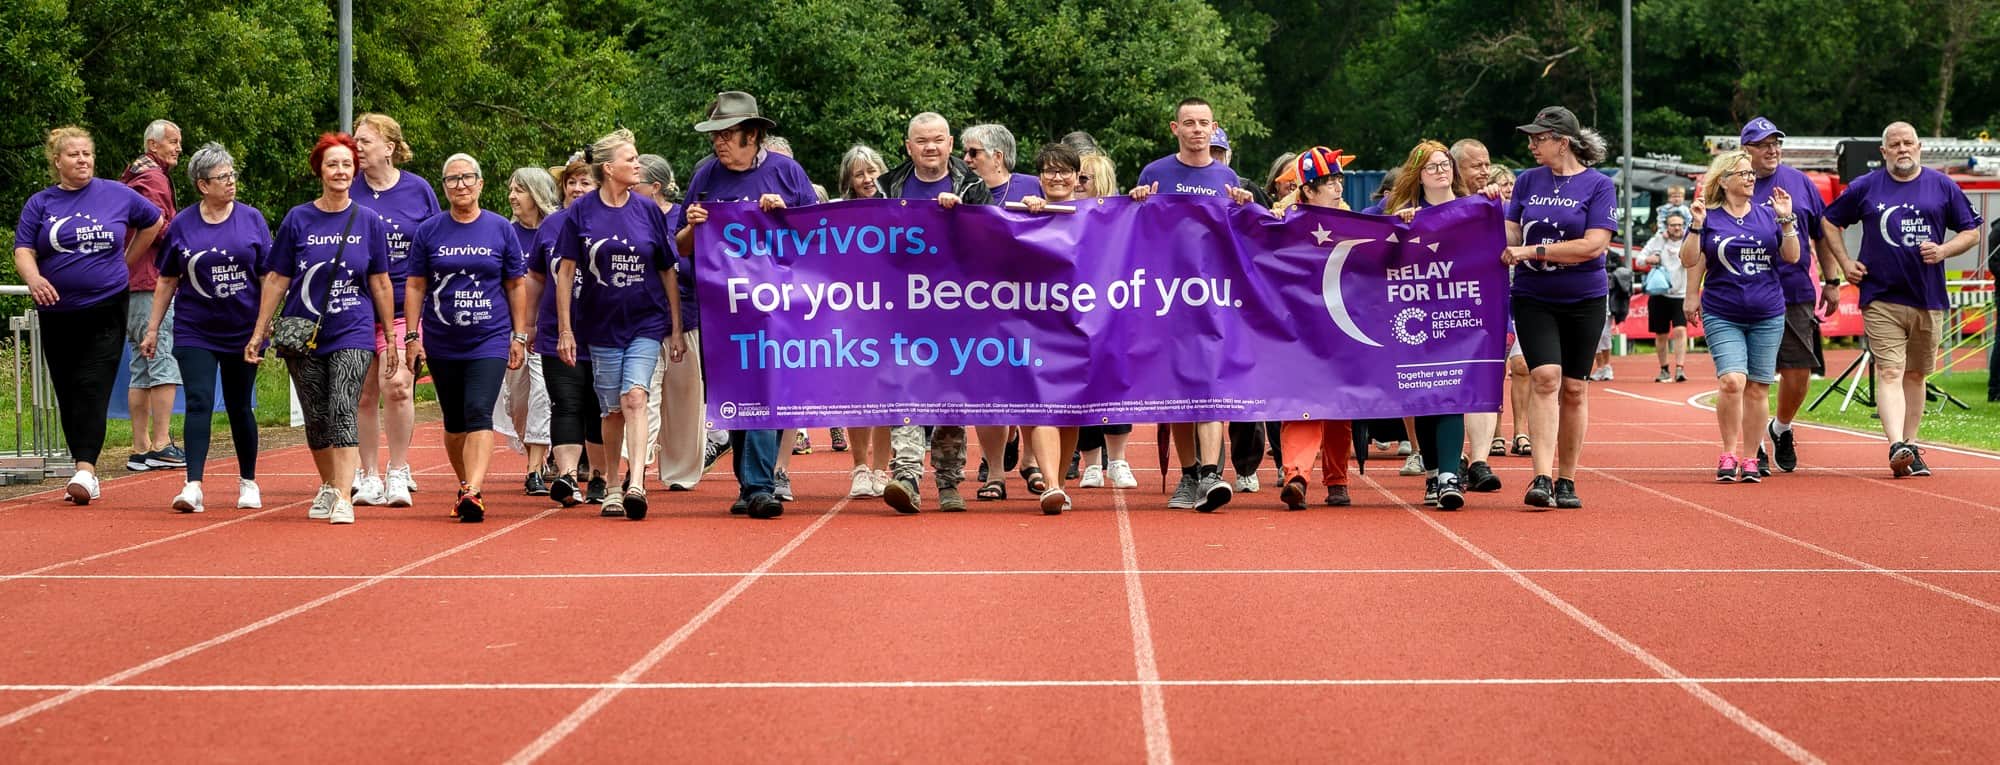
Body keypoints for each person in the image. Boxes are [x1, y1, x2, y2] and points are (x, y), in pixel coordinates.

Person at [677, 91, 819, 518]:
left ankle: (759, 485)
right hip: (722, 308)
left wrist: (784, 215)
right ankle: (750, 484)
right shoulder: (705, 176)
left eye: (728, 134)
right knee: (734, 394)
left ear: (753, 135)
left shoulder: (787, 173)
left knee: (764, 389)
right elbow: (681, 247)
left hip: (776, 306)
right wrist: (692, 226)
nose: (719, 142)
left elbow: (819, 238)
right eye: (715, 135)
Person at [245, 132, 396, 525]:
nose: (341, 171)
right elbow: (277, 277)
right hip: (302, 330)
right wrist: (260, 331)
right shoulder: (298, 218)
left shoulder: (368, 221)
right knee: (317, 415)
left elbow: (380, 281)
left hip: (354, 329)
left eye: (347, 164)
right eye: (333, 164)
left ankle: (345, 495)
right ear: (320, 171)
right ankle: (329, 484)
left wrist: (392, 338)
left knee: (344, 405)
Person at [14, 126, 165, 505]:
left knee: (92, 384)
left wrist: (127, 262)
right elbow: (22, 249)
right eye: (73, 155)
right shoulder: (41, 203)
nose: (82, 160)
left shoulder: (116, 194)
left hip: (106, 305)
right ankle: (80, 464)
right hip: (57, 309)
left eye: (87, 154)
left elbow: (154, 222)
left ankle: (86, 470)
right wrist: (34, 279)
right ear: (57, 162)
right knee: (67, 388)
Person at [1824, 121, 1984, 477]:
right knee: (1891, 369)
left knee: (1916, 374)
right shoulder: (1866, 186)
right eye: (1894, 144)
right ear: (1883, 152)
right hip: (1881, 296)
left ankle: (1910, 446)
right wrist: (1846, 263)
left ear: (1919, 146)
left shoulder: (1941, 185)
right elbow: (1829, 221)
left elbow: (1972, 231)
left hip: (1928, 296)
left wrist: (1943, 250)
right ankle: (1895, 443)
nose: (1902, 149)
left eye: (1907, 143)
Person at [1130, 97, 1255, 512]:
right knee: (1179, 391)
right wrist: (1135, 203)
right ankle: (1188, 475)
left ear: (1214, 127)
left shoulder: (1226, 175)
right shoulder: (1156, 173)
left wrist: (1244, 208)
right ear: (1175, 128)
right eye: (1189, 123)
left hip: (1213, 297)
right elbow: (1133, 231)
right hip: (1167, 298)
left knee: (1212, 386)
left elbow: (1238, 236)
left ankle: (1211, 475)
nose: (1197, 130)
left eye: (1204, 123)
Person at [554, 128, 686, 520]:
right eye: (631, 159)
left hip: (646, 320)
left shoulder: (647, 210)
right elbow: (564, 273)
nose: (637, 165)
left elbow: (667, 270)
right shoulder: (581, 211)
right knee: (611, 409)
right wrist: (565, 330)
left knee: (635, 398)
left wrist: (676, 328)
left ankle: (637, 483)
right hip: (601, 324)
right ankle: (611, 484)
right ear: (609, 168)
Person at [1501, 106, 1618, 510]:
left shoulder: (1600, 185)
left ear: (1561, 142)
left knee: (1574, 387)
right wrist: (1483, 213)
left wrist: (1533, 250)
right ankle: (1540, 476)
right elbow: (1510, 233)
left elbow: (1593, 245)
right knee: (1546, 377)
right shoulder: (1526, 180)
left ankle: (1567, 478)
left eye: (1538, 138)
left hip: (1584, 297)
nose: (1532, 145)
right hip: (1534, 294)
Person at [404, 153, 531, 522]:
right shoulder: (429, 231)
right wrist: (413, 336)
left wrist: (518, 336)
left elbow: (515, 284)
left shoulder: (499, 229)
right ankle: (464, 484)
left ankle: (474, 489)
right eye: (452, 179)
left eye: (467, 178)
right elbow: (415, 286)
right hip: (443, 339)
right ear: (444, 187)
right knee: (455, 421)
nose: (460, 185)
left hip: (489, 337)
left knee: (479, 410)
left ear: (480, 184)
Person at [143, 142, 268, 513]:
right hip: (195, 329)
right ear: (202, 185)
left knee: (239, 405)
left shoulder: (252, 219)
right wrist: (152, 329)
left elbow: (268, 276)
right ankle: (193, 484)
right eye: (222, 177)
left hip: (243, 329)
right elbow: (166, 279)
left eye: (232, 175)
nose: (231, 182)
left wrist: (263, 328)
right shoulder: (182, 224)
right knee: (197, 400)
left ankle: (248, 481)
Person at [875, 112, 991, 513]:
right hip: (902, 308)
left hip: (957, 307)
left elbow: (992, 241)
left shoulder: (973, 185)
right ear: (908, 146)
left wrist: (961, 218)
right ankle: (905, 474)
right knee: (905, 388)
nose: (930, 147)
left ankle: (948, 481)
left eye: (938, 140)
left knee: (950, 395)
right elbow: (867, 242)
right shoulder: (886, 186)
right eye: (922, 140)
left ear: (951, 143)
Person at [1365, 140, 1477, 509]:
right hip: (1410, 318)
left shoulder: (1472, 209)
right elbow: (1361, 231)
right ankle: (1433, 473)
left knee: (1452, 393)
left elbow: (1501, 233)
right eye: (1432, 167)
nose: (1441, 171)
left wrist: (1493, 197)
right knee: (1424, 396)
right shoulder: (1401, 209)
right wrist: (1395, 228)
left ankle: (1448, 474)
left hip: (1458, 316)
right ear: (1418, 175)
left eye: (1445, 164)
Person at [1741, 117, 1850, 475]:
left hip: (1794, 290)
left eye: (1776, 143)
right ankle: (1753, 443)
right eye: (1763, 144)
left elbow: (1821, 234)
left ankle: (1781, 427)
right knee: (1749, 375)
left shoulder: (1801, 183)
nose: (1772, 149)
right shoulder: (1733, 183)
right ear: (1747, 150)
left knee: (1798, 371)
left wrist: (1832, 280)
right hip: (1744, 290)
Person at [1682, 150, 1799, 482]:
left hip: (1767, 311)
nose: (1751, 178)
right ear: (1724, 180)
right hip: (1723, 311)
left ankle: (1751, 456)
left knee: (1759, 388)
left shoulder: (1767, 214)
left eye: (1752, 174)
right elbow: (1692, 259)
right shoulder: (1709, 216)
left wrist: (1786, 220)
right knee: (1732, 381)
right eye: (1744, 173)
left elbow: (1791, 257)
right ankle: (1728, 452)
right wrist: (1695, 227)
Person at [349, 113, 439, 508]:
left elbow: (437, 242)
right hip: (357, 306)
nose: (357, 148)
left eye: (365, 141)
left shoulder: (419, 191)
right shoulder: (348, 190)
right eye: (354, 141)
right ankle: (368, 473)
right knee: (364, 394)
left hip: (405, 307)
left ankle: (398, 469)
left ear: (389, 147)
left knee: (398, 385)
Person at [1275, 147, 1358, 510]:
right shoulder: (1280, 218)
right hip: (1296, 324)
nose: (1338, 187)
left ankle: (1337, 479)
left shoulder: (1353, 221)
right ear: (1308, 189)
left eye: (1340, 180)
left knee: (1340, 405)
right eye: (1329, 182)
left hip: (1340, 324)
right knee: (1300, 400)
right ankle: (1296, 476)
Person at [531, 156, 610, 508]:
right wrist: (528, 325)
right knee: (565, 403)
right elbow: (534, 276)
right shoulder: (551, 226)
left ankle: (600, 475)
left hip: (604, 331)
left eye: (585, 183)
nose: (577, 189)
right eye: (571, 183)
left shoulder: (610, 219)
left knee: (598, 407)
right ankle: (565, 476)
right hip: (555, 331)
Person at [1017, 143, 1088, 513]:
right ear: (1039, 176)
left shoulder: (1097, 214)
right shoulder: (1023, 212)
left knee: (1071, 409)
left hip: (1081, 324)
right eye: (1049, 171)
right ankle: (1051, 483)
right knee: (1042, 401)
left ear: (1077, 177)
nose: (1057, 177)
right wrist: (1028, 217)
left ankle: (1059, 482)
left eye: (1064, 171)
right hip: (1036, 323)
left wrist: (1139, 197)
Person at [634, 153, 710, 494]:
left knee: (684, 400)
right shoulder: (627, 216)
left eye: (636, 181)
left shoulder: (684, 216)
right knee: (638, 397)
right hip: (641, 321)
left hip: (688, 316)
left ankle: (680, 472)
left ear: (655, 186)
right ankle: (634, 465)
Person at [120, 119, 187, 473]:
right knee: (161, 357)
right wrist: (185, 236)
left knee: (139, 363)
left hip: (132, 283)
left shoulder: (133, 173)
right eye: (173, 142)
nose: (178, 148)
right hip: (149, 280)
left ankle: (141, 447)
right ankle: (161, 444)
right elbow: (158, 225)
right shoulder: (153, 178)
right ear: (153, 144)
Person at [1071, 154, 1137, 492]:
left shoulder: (1121, 213)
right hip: (1074, 309)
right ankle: (1091, 464)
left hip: (1114, 308)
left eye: (1085, 178)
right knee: (1082, 384)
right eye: (1076, 177)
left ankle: (1119, 460)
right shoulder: (1062, 211)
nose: (1078, 184)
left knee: (1115, 382)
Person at [834, 145, 894, 499]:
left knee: (886, 392)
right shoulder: (837, 214)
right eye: (859, 173)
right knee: (857, 391)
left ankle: (881, 469)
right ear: (849, 180)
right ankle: (859, 467)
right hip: (852, 313)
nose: (867, 179)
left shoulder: (899, 209)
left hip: (893, 311)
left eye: (872, 171)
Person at [1450, 138, 1509, 492]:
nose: (1485, 171)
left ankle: (1481, 460)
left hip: (1486, 306)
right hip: (1442, 308)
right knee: (1449, 383)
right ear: (1457, 168)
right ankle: (1452, 457)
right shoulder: (1438, 205)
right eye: (1476, 165)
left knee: (1485, 378)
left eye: (1487, 164)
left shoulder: (1494, 205)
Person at [496, 167, 559, 495]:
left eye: (519, 190)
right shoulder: (505, 233)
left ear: (536, 194)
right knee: (517, 402)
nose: (512, 196)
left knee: (542, 394)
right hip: (510, 329)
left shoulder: (556, 230)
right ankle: (540, 451)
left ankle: (534, 468)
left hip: (546, 329)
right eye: (511, 189)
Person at [1639, 211, 1692, 382]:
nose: (1676, 228)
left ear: (1684, 226)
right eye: (1673, 225)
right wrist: (1649, 258)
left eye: (1679, 225)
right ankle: (1664, 369)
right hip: (1660, 294)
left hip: (1681, 294)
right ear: (1667, 226)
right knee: (1661, 334)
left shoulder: (1690, 240)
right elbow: (1639, 260)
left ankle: (1680, 368)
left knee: (1680, 330)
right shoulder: (1658, 240)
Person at [962, 123, 1042, 204]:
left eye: (973, 153)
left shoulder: (1034, 186)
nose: (966, 159)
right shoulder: (959, 191)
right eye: (965, 152)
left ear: (997, 157)